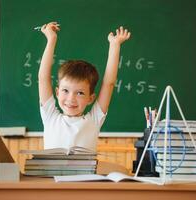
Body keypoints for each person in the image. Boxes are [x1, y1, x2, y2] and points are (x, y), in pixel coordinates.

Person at [38, 22, 130, 151]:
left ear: (91, 98)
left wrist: (115, 45)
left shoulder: (94, 119)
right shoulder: (50, 116)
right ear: (57, 92)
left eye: (80, 93)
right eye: (65, 90)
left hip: (85, 172)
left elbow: (108, 84)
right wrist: (51, 39)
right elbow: (43, 79)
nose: (71, 98)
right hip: (52, 172)